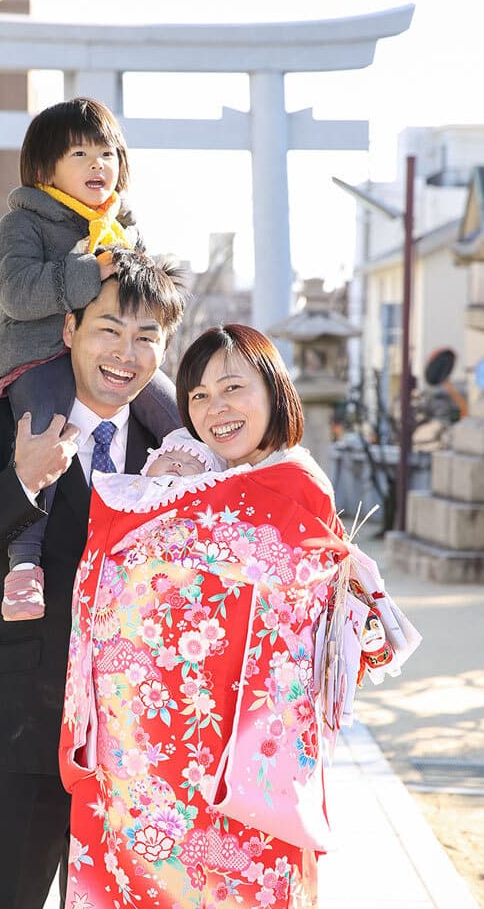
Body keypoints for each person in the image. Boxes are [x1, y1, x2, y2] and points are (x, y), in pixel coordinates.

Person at [59, 324, 420, 909]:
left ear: (274, 390)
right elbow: (114, 564)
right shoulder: (188, 475)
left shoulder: (294, 485)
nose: (216, 409)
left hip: (249, 747)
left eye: (233, 388)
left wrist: (166, 510)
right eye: (199, 395)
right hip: (152, 747)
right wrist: (164, 492)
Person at [0, 250, 188, 909]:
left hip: (135, 746)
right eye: (108, 329)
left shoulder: (179, 451)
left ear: (164, 350)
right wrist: (20, 482)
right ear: (69, 329)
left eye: (146, 337)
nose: (125, 353)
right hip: (12, 732)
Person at [0, 97, 178, 622]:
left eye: (107, 153)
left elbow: (145, 295)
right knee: (42, 445)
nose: (98, 165)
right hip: (38, 358)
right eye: (80, 154)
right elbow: (17, 293)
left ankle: (218, 512)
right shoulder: (24, 222)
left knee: (179, 416)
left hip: (108, 354)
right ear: (45, 169)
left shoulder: (123, 224)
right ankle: (24, 565)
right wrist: (94, 270)